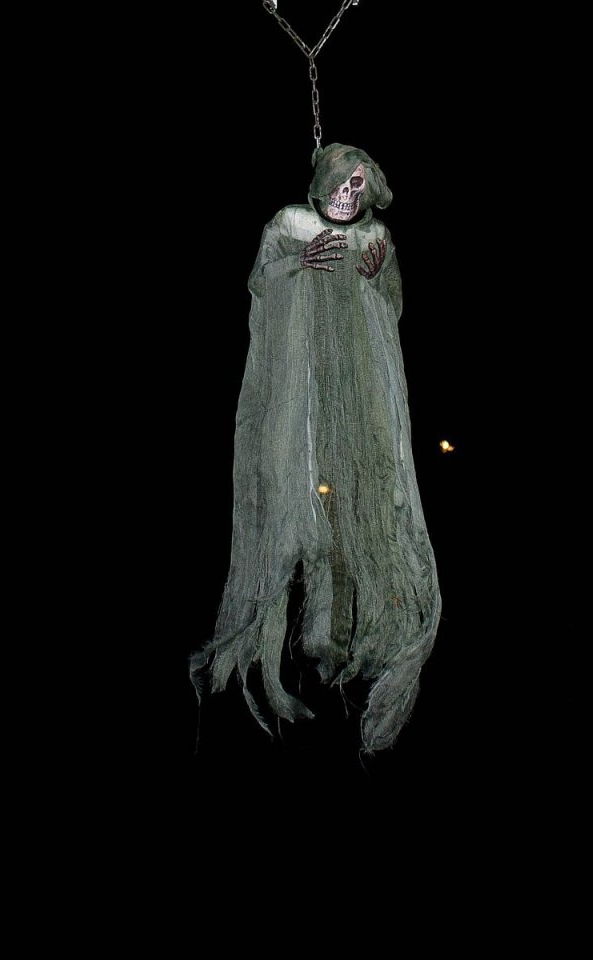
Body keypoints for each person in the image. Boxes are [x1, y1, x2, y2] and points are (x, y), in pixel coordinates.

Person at [191, 142, 440, 753]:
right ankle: (308, 638)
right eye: (342, 183)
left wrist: (379, 275)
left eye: (359, 185)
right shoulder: (290, 224)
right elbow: (259, 283)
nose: (349, 195)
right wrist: (298, 263)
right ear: (324, 181)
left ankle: (344, 638)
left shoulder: (374, 236)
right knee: (308, 507)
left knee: (360, 508)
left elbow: (393, 302)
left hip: (360, 392)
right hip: (300, 393)